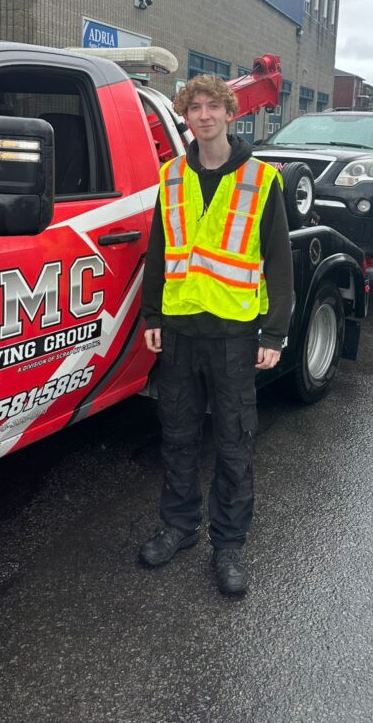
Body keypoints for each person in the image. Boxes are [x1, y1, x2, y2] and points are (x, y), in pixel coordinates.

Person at [138, 74, 293, 597]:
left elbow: (278, 262)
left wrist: (274, 332)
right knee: (178, 436)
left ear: (231, 113)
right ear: (186, 116)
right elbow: (158, 253)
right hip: (179, 332)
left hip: (233, 334)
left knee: (233, 442)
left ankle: (228, 544)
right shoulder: (171, 176)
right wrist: (151, 317)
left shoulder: (261, 179)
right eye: (194, 108)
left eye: (213, 107)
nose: (203, 115)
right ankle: (179, 528)